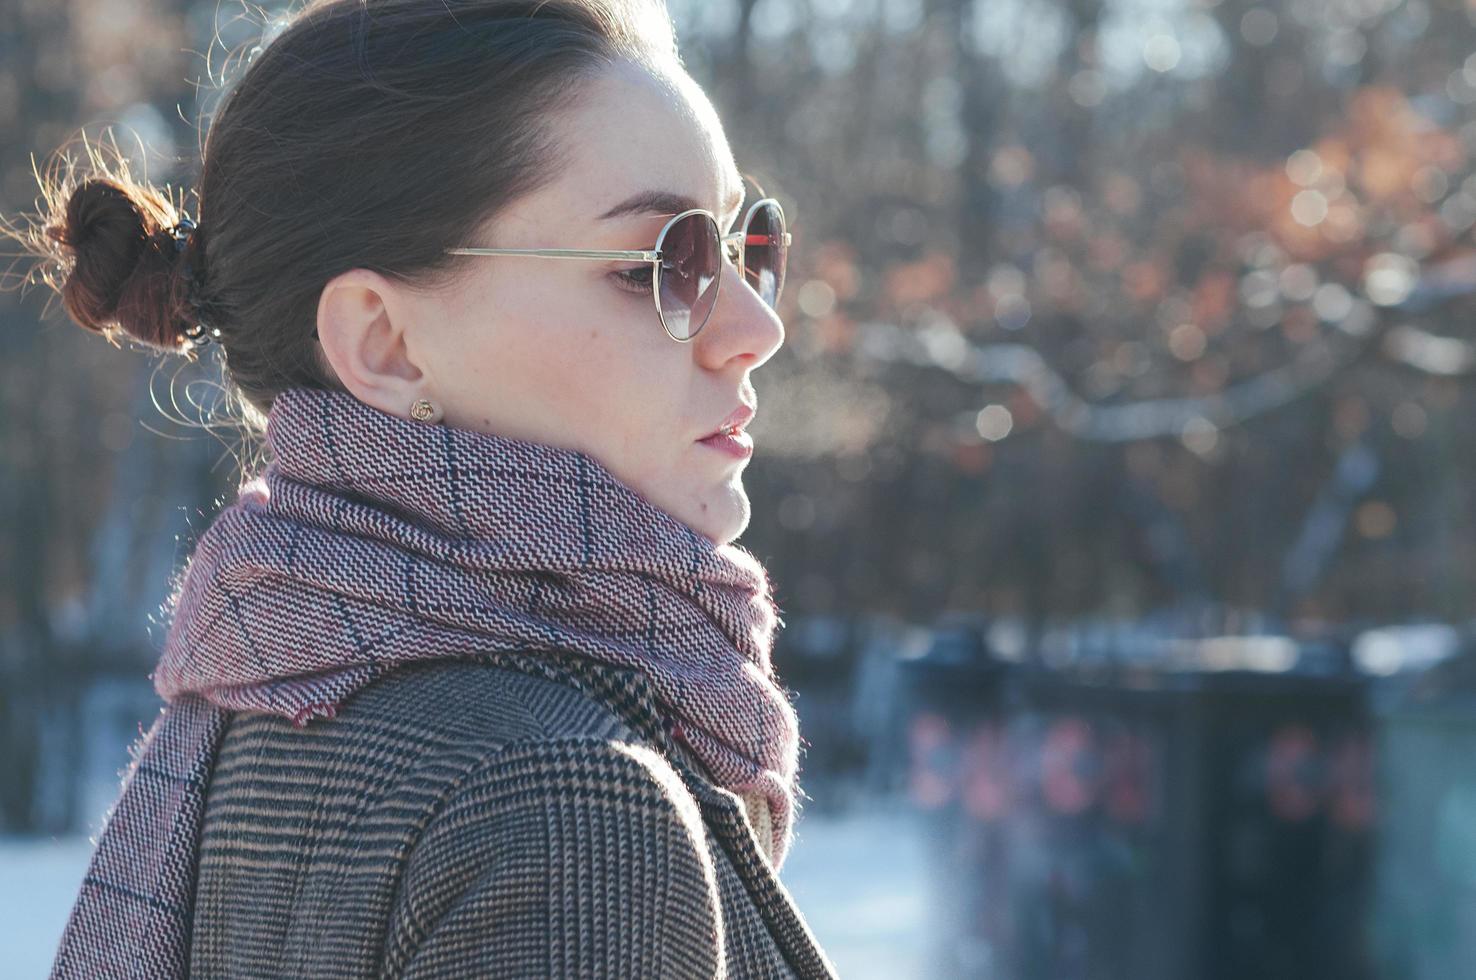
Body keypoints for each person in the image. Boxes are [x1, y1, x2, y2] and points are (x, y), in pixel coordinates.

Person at [7, 0, 836, 976]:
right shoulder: (563, 804)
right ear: (385, 343)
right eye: (664, 260)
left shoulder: (252, 706)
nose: (756, 327)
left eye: (748, 247)